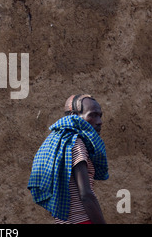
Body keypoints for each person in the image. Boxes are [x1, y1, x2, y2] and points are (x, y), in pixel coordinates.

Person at [27, 94, 109, 224]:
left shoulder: (57, 142)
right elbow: (86, 195)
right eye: (92, 115)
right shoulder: (75, 143)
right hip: (83, 220)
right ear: (73, 116)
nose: (99, 121)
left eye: (100, 115)